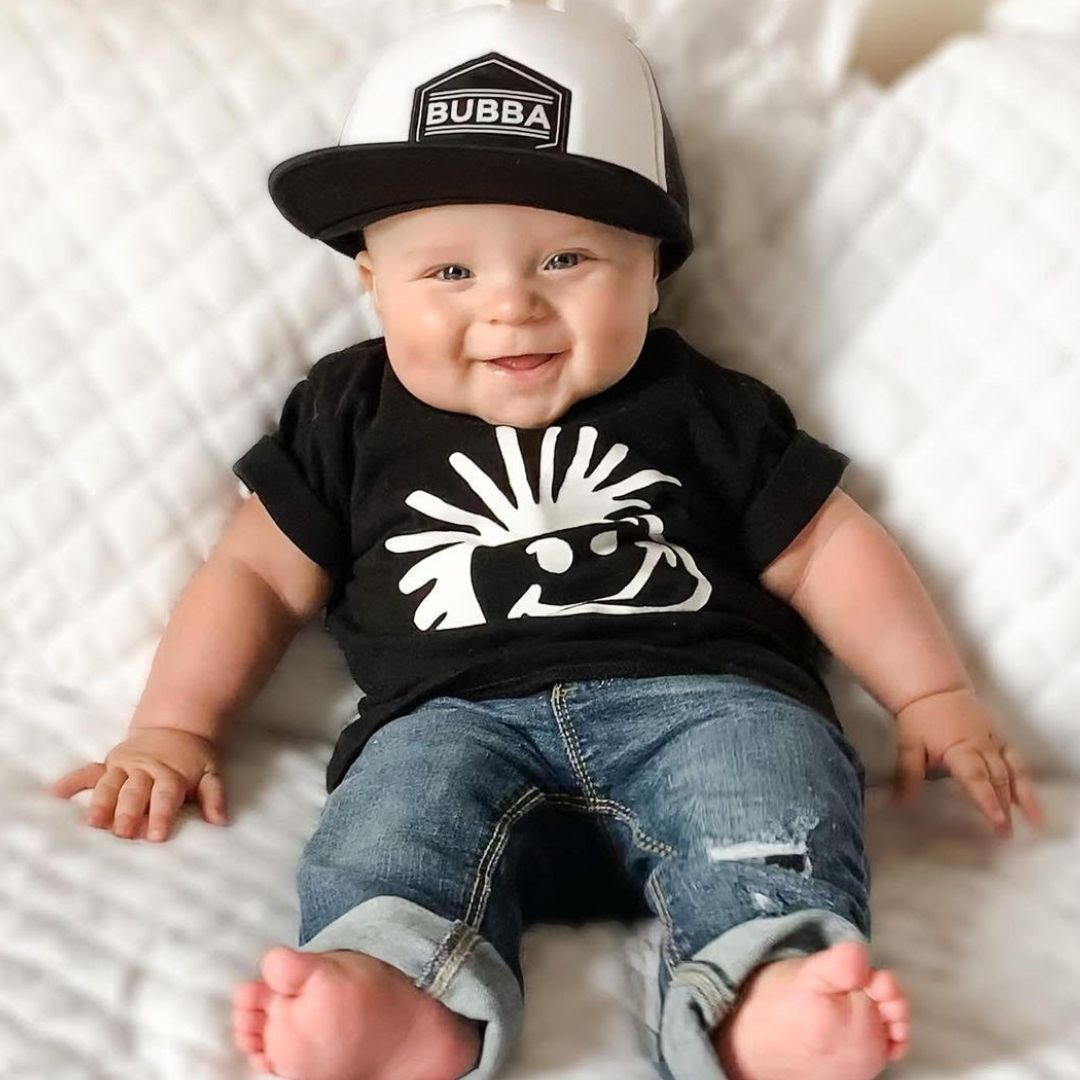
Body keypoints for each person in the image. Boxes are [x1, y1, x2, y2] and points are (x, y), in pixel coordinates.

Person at [51, 3, 1046, 1080]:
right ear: (369, 281)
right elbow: (252, 571)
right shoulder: (346, 410)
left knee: (769, 793)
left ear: (654, 268)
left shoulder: (705, 404)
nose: (511, 308)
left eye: (567, 258)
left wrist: (930, 694)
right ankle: (402, 997)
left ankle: (762, 989)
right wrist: (174, 726)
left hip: (703, 703)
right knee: (394, 823)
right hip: (450, 720)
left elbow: (826, 548)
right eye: (449, 274)